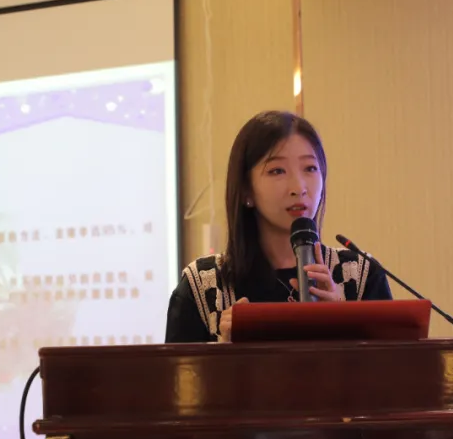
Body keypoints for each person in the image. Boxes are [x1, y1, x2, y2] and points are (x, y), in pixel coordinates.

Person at [165, 110, 392, 343]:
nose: (299, 188)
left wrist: (342, 326)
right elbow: (175, 367)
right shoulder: (204, 286)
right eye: (277, 171)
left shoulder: (360, 276)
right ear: (246, 190)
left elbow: (393, 365)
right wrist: (227, 349)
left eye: (310, 168)